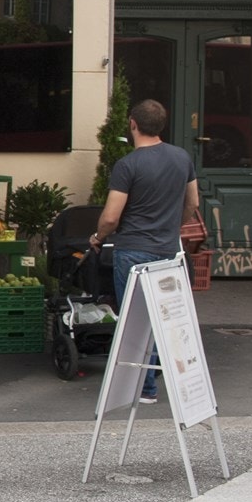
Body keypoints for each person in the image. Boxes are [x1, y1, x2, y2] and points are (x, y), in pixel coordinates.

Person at [89, 98, 199, 404]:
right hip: (167, 250)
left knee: (135, 320)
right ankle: (177, 381)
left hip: (133, 251)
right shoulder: (182, 158)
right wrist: (173, 226)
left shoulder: (128, 165)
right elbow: (193, 203)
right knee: (165, 316)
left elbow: (111, 217)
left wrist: (98, 237)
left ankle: (145, 387)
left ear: (133, 124)